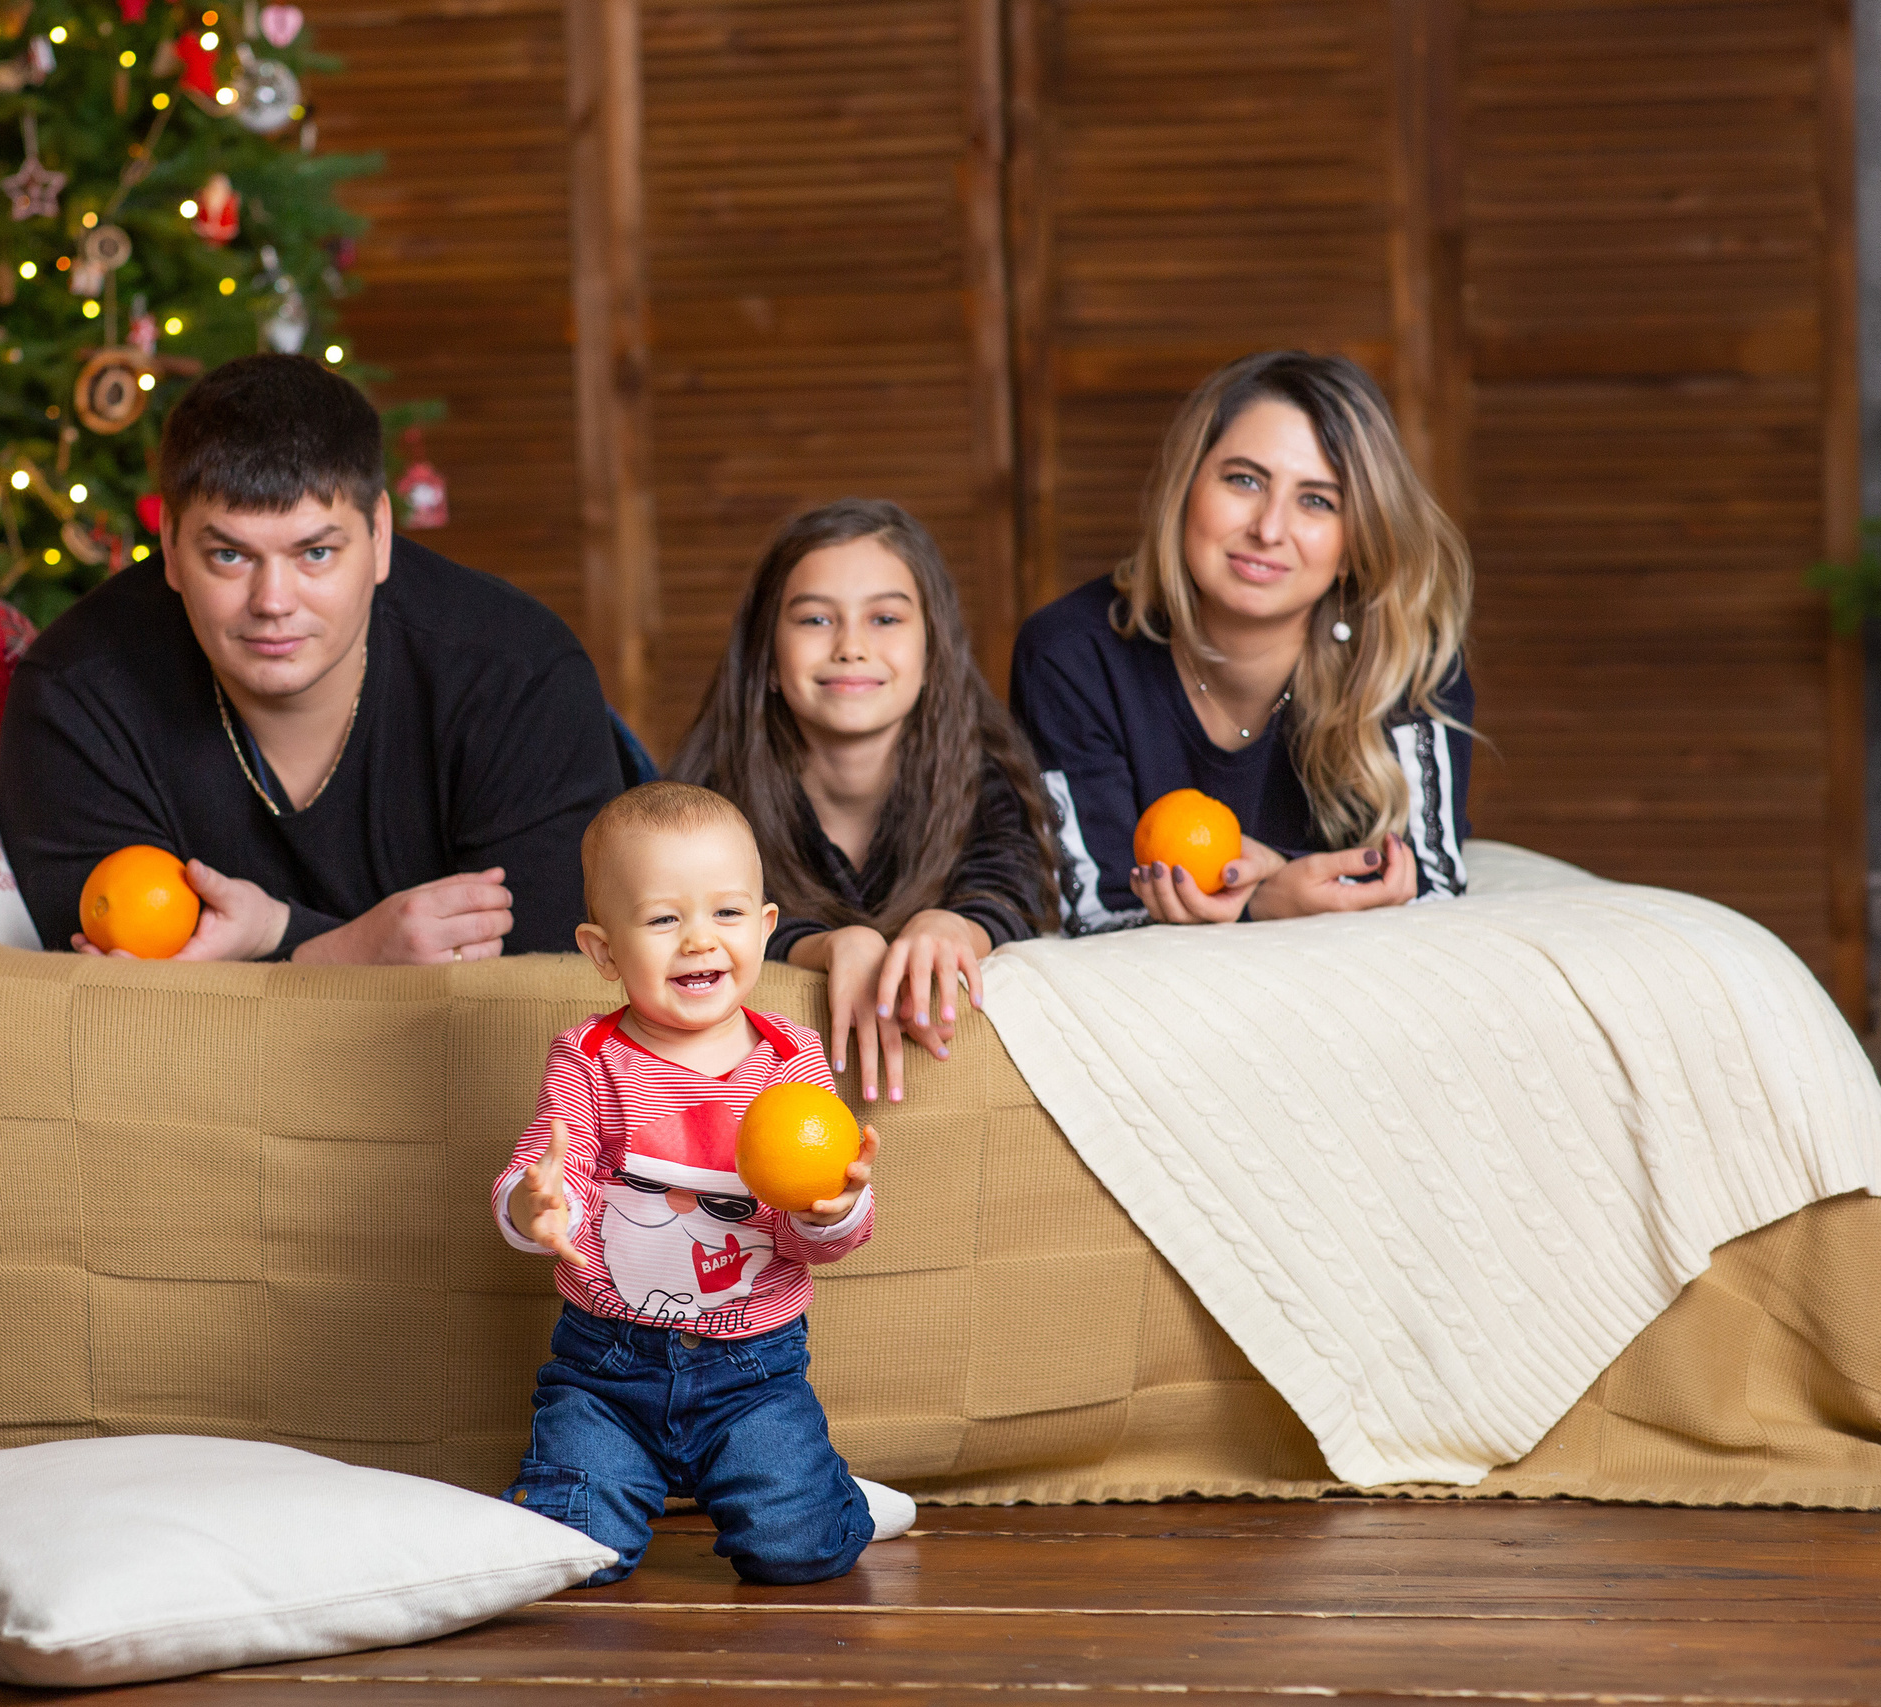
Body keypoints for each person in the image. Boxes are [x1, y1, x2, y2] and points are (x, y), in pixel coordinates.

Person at [0, 354, 623, 960]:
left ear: (380, 536)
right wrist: (338, 952)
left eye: (316, 554)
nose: (273, 602)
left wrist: (279, 938)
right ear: (169, 544)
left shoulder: (515, 673)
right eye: (229, 556)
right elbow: (105, 1014)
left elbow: (550, 992)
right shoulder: (77, 695)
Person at [494, 781, 906, 1586]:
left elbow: (806, 1236)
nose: (698, 940)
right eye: (661, 918)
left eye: (725, 913)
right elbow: (550, 1166)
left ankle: (832, 1498)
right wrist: (533, 1203)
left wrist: (835, 1207)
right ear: (604, 949)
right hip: (605, 1371)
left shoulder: (792, 1064)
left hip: (752, 1372)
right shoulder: (588, 1058)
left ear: (764, 926)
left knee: (800, 1550)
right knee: (568, 1556)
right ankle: (600, 1490)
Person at [1010, 350, 1474, 933]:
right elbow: (1093, 910)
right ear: (1186, 490)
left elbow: (1432, 887)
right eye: (1245, 480)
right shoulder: (1071, 654)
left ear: (1355, 545)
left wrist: (1281, 878)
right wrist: (1263, 904)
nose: (1268, 529)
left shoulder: (1405, 654)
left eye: (1317, 501)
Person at [672, 499, 1060, 1105]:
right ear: (767, 660)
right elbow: (687, 926)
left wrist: (950, 926)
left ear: (932, 652)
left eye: (884, 619)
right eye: (815, 620)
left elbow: (1018, 893)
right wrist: (827, 945)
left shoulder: (987, 775)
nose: (851, 646)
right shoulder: (712, 803)